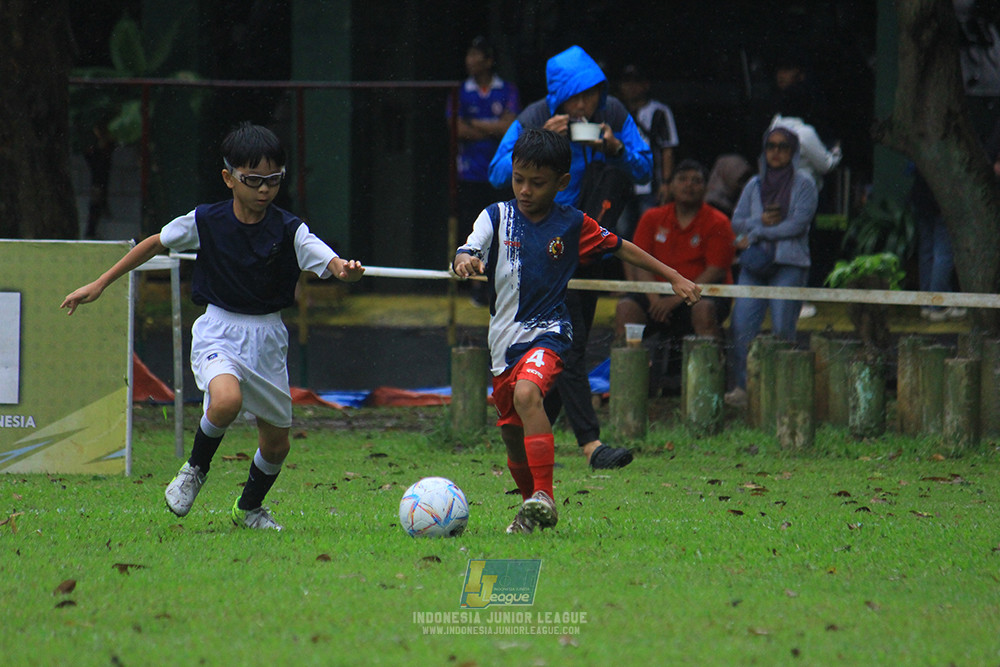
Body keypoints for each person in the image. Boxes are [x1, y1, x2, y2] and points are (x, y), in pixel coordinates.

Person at [61, 122, 365, 530]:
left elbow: (329, 261)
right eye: (253, 180)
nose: (264, 189)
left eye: (273, 180)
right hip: (219, 330)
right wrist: (100, 283)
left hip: (269, 337)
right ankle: (194, 470)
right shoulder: (205, 221)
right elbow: (154, 243)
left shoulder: (290, 229)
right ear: (229, 178)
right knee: (225, 400)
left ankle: (248, 509)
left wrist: (345, 271)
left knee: (276, 445)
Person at [455, 129, 699, 534]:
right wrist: (465, 259)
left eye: (538, 182)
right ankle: (529, 509)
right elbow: (470, 247)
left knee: (528, 393)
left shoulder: (572, 224)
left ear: (562, 183)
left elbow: (621, 245)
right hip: (503, 344)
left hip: (550, 331)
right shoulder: (496, 216)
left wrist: (672, 275)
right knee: (512, 436)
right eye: (519, 179)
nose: (526, 190)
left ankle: (546, 495)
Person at [488, 45, 653, 470]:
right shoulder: (535, 115)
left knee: (568, 346)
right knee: (572, 344)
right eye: (575, 98)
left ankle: (532, 436)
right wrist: (540, 138)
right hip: (543, 246)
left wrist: (615, 147)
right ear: (558, 97)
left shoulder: (613, 112)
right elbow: (495, 172)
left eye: (591, 96)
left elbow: (645, 169)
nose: (583, 107)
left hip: (588, 240)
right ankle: (590, 444)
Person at [615, 160, 734, 393]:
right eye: (682, 179)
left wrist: (674, 299)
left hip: (698, 295)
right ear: (669, 187)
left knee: (704, 310)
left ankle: (710, 389)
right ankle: (626, 388)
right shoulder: (652, 217)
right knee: (626, 309)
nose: (689, 185)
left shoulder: (718, 221)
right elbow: (640, 262)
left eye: (696, 181)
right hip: (657, 295)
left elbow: (716, 270)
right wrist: (654, 300)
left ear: (706, 188)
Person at [725, 126, 818, 408]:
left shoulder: (805, 184)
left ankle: (783, 389)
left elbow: (798, 225)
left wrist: (761, 231)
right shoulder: (754, 184)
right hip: (755, 264)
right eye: (771, 146)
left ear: (793, 152)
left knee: (783, 329)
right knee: (742, 326)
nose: (776, 152)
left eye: (783, 147)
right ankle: (743, 387)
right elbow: (737, 223)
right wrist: (761, 225)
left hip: (789, 264)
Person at [447, 36, 521, 305]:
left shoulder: (507, 89)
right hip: (469, 174)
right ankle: (474, 287)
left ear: (489, 61)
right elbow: (457, 128)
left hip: (499, 174)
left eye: (477, 55)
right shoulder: (460, 91)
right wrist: (492, 127)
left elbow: (509, 128)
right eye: (469, 54)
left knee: (502, 231)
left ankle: (497, 285)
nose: (470, 60)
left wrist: (475, 125)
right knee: (472, 230)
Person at [615, 64, 680, 248]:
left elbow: (668, 148)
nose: (631, 87)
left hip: (652, 186)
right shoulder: (616, 111)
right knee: (623, 235)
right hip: (623, 185)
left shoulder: (659, 111)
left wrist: (667, 183)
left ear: (646, 85)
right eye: (627, 82)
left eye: (636, 82)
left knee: (651, 233)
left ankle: (649, 276)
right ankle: (630, 278)